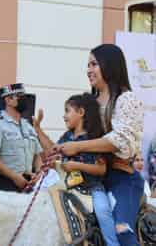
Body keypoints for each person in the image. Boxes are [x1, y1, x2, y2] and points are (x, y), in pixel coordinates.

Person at [51, 44, 144, 246]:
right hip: (89, 177)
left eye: (94, 64)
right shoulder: (90, 102)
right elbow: (76, 135)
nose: (89, 70)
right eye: (88, 65)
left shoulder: (126, 99)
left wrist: (78, 148)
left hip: (122, 178)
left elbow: (120, 141)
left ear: (108, 65)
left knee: (121, 230)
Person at [35, 93, 119, 246]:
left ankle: (113, 244)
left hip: (92, 188)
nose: (64, 116)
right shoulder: (67, 136)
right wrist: (38, 129)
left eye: (67, 111)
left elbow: (101, 169)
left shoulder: (95, 138)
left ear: (81, 112)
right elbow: (52, 151)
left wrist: (76, 166)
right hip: (67, 186)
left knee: (103, 211)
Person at [0, 83, 42, 192]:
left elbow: (37, 155)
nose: (24, 99)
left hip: (27, 183)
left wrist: (38, 173)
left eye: (24, 96)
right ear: (8, 100)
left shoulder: (28, 126)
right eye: (19, 96)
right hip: (5, 183)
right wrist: (14, 176)